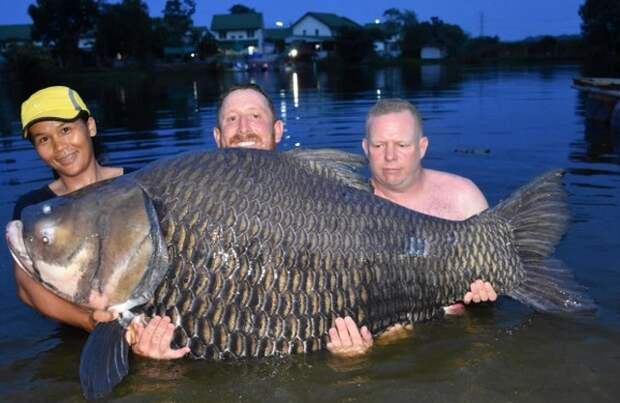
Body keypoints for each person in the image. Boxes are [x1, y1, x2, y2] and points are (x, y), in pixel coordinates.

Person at [11, 86, 189, 360]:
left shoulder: (140, 183)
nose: (60, 146)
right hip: (78, 337)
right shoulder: (35, 211)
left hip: (157, 326)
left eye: (66, 130)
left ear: (90, 126)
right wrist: (90, 321)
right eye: (43, 139)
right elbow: (27, 288)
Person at [327, 98, 498, 357]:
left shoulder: (463, 197)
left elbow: (498, 278)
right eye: (379, 145)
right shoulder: (344, 212)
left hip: (460, 333)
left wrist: (487, 295)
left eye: (402, 145)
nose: (390, 156)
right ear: (365, 148)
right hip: (390, 341)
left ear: (422, 147)